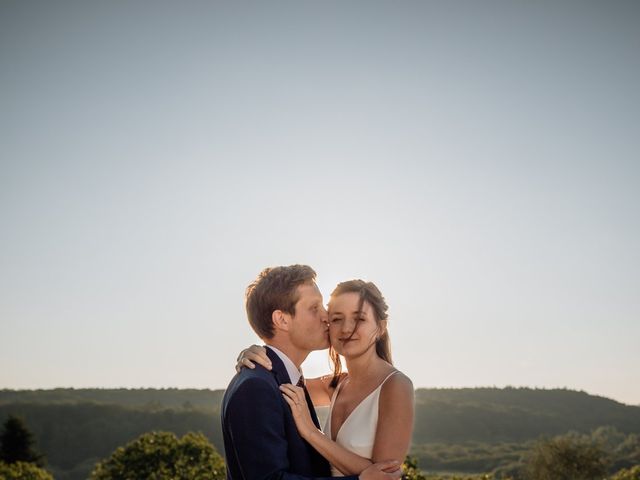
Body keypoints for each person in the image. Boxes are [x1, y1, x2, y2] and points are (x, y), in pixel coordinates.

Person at [221, 265, 402, 480]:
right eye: (314, 308)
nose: (327, 317)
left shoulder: (288, 380)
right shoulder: (256, 387)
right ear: (282, 320)